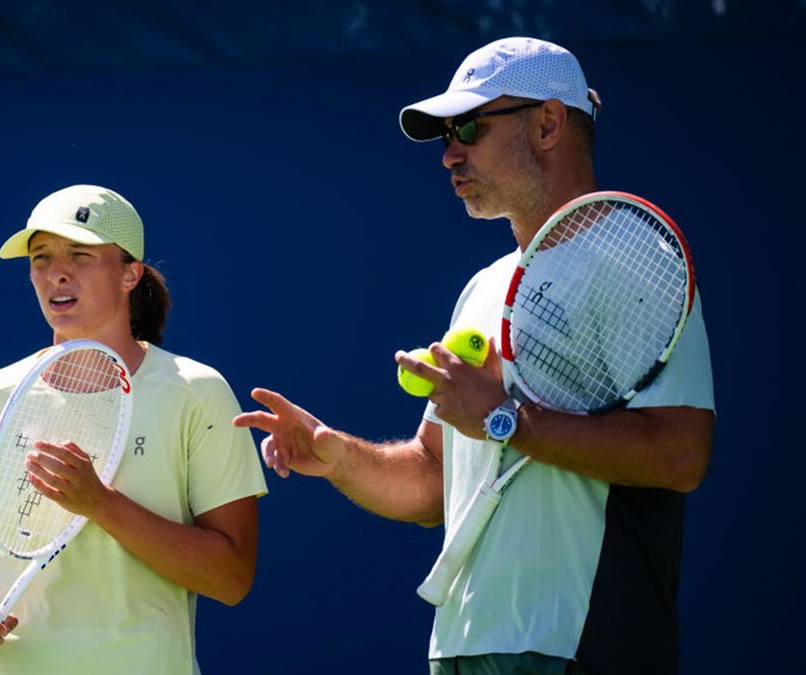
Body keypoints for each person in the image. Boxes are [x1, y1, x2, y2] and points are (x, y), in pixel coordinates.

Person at [234, 37, 714, 674]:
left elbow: (681, 454)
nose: (450, 154)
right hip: (463, 646)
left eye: (468, 126)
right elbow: (435, 479)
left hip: (579, 644)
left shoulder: (632, 258)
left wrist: (504, 417)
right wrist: (338, 455)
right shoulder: (485, 287)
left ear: (547, 123)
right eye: (443, 136)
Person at [0, 184, 267, 674]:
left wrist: (101, 504)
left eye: (80, 255)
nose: (56, 272)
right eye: (41, 257)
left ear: (131, 274)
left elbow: (231, 579)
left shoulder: (198, 393)